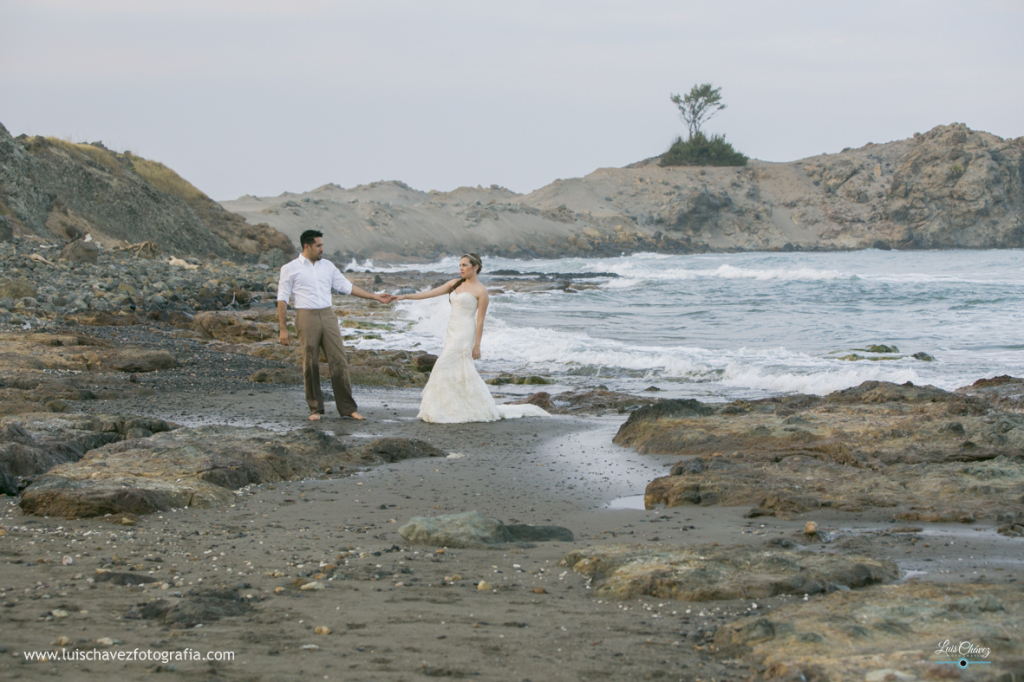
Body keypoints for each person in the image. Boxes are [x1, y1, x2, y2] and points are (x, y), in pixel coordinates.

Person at [396, 253, 550, 423]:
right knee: (454, 369)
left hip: (464, 333)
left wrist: (477, 346)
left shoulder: (481, 291)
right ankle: (446, 407)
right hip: (452, 330)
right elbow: (430, 293)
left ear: (475, 267)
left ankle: (452, 407)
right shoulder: (455, 284)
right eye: (460, 265)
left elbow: (480, 321)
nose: (461, 268)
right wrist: (404, 297)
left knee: (443, 365)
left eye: (464, 265)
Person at [277, 230, 393, 421]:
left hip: (328, 315)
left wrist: (375, 296)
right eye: (318, 246)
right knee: (310, 363)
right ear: (307, 247)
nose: (322, 249)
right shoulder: (290, 268)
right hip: (306, 316)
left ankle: (348, 408)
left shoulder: (328, 266)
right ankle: (315, 409)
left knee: (339, 360)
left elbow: (347, 287)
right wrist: (282, 328)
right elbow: (282, 298)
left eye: (322, 245)